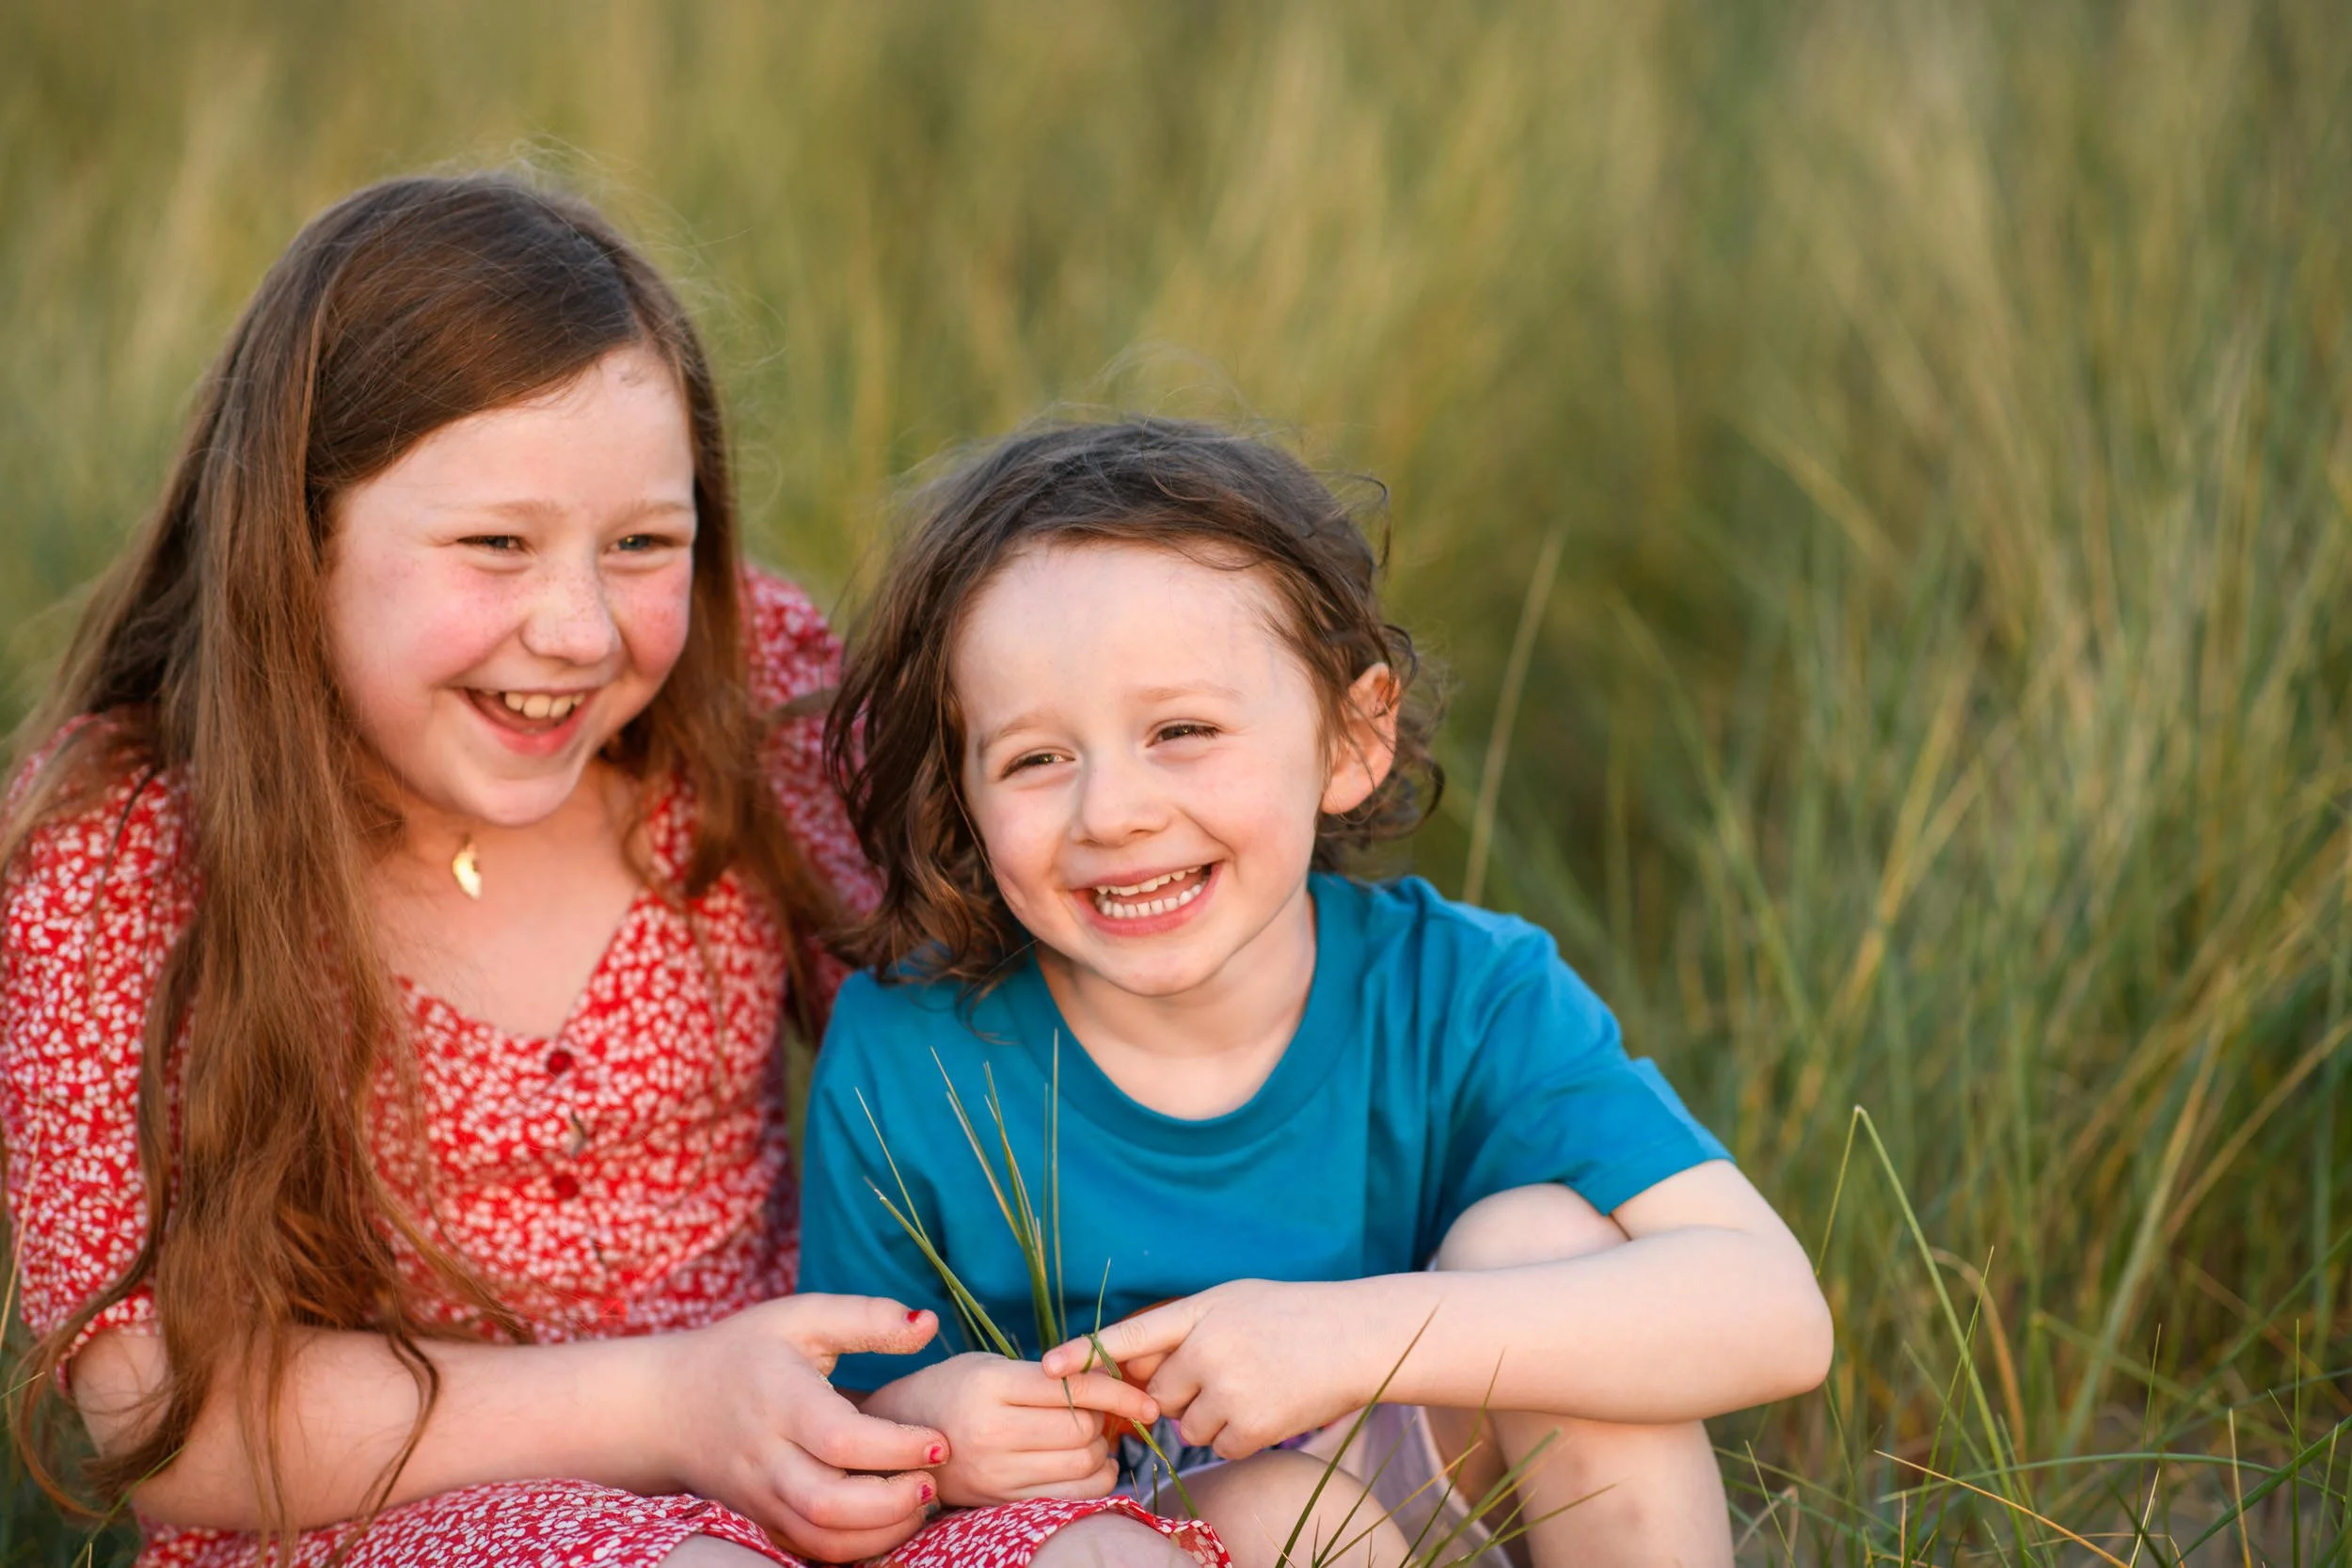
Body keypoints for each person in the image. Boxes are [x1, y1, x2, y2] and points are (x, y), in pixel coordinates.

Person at [0, 177, 1223, 1568]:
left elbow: (994, 1015)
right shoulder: (123, 840)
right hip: (381, 1518)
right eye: (496, 544)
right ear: (296, 538)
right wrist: (666, 1401)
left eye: (643, 542)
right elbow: (156, 1408)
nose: (579, 628)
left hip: (806, 1452)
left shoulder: (738, 688)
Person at [798, 419, 1836, 1568]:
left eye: (1181, 730)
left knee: (1546, 1238)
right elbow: (839, 1436)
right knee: (1276, 1505)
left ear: (1351, 735)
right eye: (1035, 757)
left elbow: (1773, 1311)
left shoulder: (1461, 990)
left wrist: (1345, 1336)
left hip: (1421, 1484)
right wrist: (934, 1424)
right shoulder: (910, 1057)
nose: (1111, 812)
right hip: (1111, 1537)